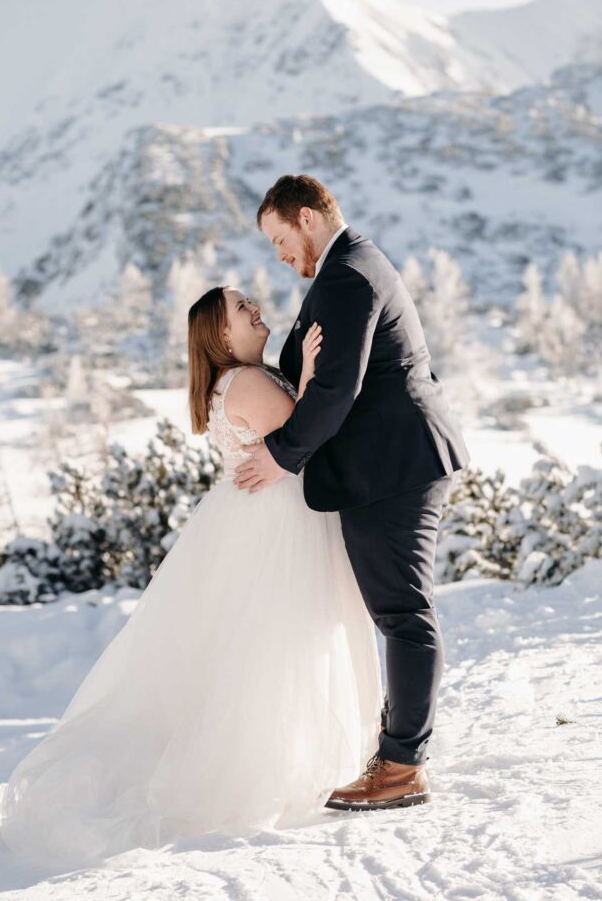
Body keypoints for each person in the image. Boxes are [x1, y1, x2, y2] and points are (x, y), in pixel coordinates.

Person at [0, 285, 381, 867]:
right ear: (222, 336)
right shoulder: (247, 381)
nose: (256, 309)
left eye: (251, 302)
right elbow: (306, 435)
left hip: (263, 518)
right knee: (281, 641)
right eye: (242, 310)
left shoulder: (241, 378)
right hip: (277, 526)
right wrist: (309, 372)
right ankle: (271, 762)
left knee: (265, 643)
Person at [234, 174, 470, 811]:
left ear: (309, 217)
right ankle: (396, 751)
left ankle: (401, 766)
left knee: (402, 612)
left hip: (396, 466)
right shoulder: (348, 267)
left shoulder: (347, 275)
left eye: (281, 239)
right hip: (388, 463)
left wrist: (281, 457)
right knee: (395, 611)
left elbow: (336, 391)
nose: (280, 256)